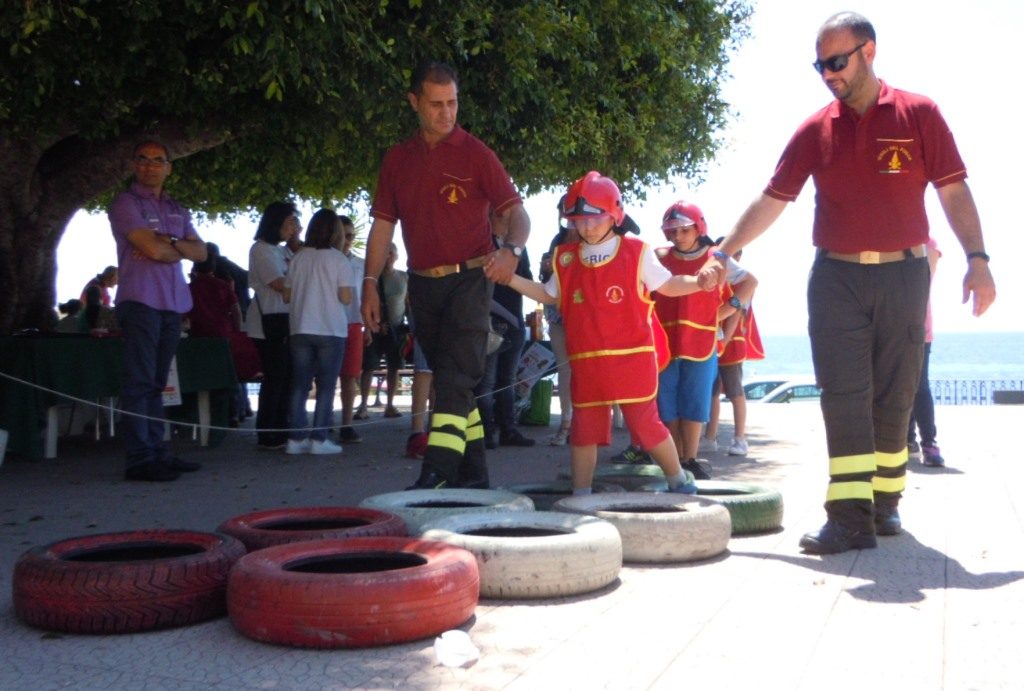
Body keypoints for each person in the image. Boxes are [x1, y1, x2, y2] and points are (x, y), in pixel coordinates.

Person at [698, 12, 996, 555]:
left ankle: (885, 506)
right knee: (844, 395)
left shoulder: (919, 113)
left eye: (837, 62)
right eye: (820, 65)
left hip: (905, 274)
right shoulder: (816, 129)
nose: (828, 73)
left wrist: (978, 259)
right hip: (836, 278)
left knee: (896, 394)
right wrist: (724, 249)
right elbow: (773, 200)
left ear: (869, 51)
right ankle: (850, 518)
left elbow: (954, 191)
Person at [361, 60, 530, 490]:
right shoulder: (397, 158)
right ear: (414, 102)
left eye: (452, 103)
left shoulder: (476, 152)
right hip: (421, 283)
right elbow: (383, 226)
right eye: (435, 104)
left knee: (455, 379)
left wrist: (511, 250)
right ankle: (475, 477)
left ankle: (437, 471)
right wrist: (368, 283)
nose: (446, 113)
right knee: (457, 386)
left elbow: (516, 213)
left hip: (471, 280)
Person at [490, 171, 702, 495]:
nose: (587, 227)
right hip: (587, 361)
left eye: (595, 219)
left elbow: (669, 285)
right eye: (578, 221)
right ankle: (581, 494)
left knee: (645, 425)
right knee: (584, 429)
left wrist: (699, 282)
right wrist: (510, 278)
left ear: (614, 214)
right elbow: (549, 294)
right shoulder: (565, 257)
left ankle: (677, 479)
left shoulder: (636, 251)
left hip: (633, 358)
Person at [108, 140, 206, 482]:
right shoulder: (125, 202)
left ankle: (158, 451)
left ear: (169, 167)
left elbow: (202, 253)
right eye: (143, 159)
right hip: (139, 300)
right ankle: (139, 458)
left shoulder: (177, 207)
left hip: (173, 303)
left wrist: (171, 244)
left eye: (158, 160)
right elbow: (152, 249)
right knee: (140, 381)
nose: (150, 165)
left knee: (157, 382)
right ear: (134, 164)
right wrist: (174, 246)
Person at [655, 201, 755, 480]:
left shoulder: (716, 257)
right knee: (667, 403)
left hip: (700, 343)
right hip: (665, 342)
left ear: (698, 228)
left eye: (684, 230)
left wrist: (727, 308)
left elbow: (750, 283)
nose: (677, 237)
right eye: (672, 231)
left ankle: (690, 458)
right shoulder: (659, 256)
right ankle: (674, 461)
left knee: (695, 402)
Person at [283, 209, 354, 455]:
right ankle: (319, 438)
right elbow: (345, 298)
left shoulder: (299, 257)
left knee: (300, 384)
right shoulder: (338, 259)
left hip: (300, 327)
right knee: (325, 386)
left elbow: (287, 295)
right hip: (330, 328)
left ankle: (295, 437)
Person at [246, 201, 300, 450]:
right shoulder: (261, 250)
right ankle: (267, 431)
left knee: (287, 375)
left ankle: (281, 426)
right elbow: (280, 284)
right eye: (290, 222)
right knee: (275, 376)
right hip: (268, 321)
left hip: (286, 319)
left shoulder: (284, 250)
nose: (293, 227)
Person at [701, 244, 763, 458]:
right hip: (712, 338)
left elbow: (736, 312)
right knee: (713, 392)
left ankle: (740, 439)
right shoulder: (716, 277)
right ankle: (710, 437)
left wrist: (724, 342)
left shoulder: (741, 281)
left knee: (735, 391)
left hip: (731, 341)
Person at [357, 242, 408, 420]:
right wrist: (369, 329)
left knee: (394, 367)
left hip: (397, 330)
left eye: (391, 253)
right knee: (369, 366)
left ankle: (390, 405)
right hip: (375, 328)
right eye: (385, 252)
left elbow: (408, 304)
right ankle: (362, 405)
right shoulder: (372, 280)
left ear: (396, 256)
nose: (388, 256)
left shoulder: (403, 277)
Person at [908, 238, 944, 467]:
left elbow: (923, 281)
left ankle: (929, 444)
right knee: (896, 385)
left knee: (919, 386)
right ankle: (906, 440)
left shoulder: (929, 244)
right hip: (890, 323)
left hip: (918, 325)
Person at [336, 216, 366, 444]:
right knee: (323, 376)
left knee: (350, 375)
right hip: (327, 322)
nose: (347, 240)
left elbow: (365, 296)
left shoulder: (359, 263)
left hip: (354, 323)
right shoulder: (324, 260)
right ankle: (322, 422)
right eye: (344, 235)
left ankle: (346, 424)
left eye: (351, 236)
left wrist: (369, 326)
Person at [539, 248, 572, 446]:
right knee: (565, 372)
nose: (547, 262)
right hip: (558, 326)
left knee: (586, 373)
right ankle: (566, 423)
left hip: (582, 324)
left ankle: (585, 425)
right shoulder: (548, 280)